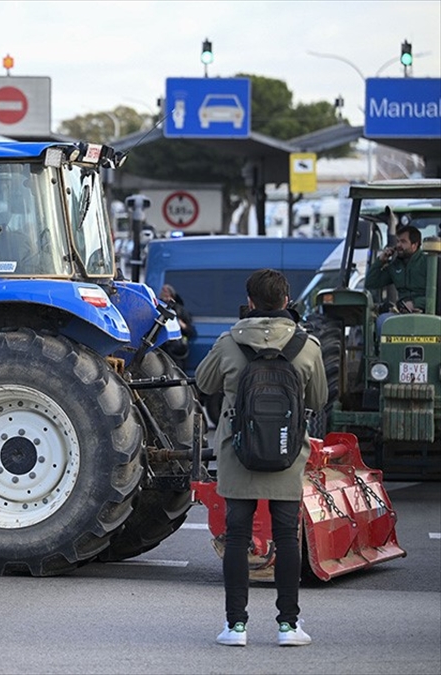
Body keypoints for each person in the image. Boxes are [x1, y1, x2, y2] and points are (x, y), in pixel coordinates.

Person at [196, 269, 326, 648]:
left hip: (238, 452)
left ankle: (235, 627)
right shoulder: (308, 346)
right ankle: (288, 626)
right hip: (287, 452)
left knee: (237, 536)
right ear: (286, 302)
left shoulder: (228, 341)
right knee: (287, 537)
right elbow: (318, 399)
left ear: (249, 302)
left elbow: (204, 384)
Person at [365, 224, 427, 316]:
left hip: (427, 312)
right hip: (402, 313)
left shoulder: (428, 262)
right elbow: (371, 283)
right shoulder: (395, 265)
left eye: (403, 242)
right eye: (397, 241)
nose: (398, 245)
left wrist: (415, 303)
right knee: (382, 321)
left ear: (415, 245)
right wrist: (380, 261)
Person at [158, 283, 197, 371]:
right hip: (162, 349)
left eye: (166, 294)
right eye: (163, 294)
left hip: (176, 351)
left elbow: (191, 332)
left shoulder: (180, 310)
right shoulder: (157, 308)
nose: (165, 298)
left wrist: (182, 325)